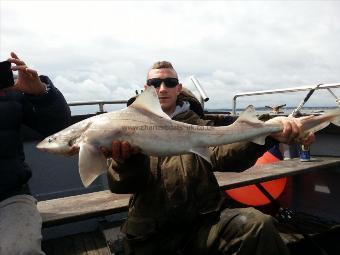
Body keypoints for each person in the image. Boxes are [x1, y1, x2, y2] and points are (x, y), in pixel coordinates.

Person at [105, 61, 314, 255]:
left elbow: (226, 156)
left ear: (178, 88)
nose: (162, 88)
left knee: (258, 225)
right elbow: (122, 185)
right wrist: (126, 160)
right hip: (151, 231)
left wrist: (268, 133)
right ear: (146, 88)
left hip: (203, 223)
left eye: (170, 82)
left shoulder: (200, 127)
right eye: (155, 83)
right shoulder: (125, 127)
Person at [0, 52, 71, 255]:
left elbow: (60, 129)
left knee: (22, 250)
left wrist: (41, 94)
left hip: (9, 195)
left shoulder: (12, 90)